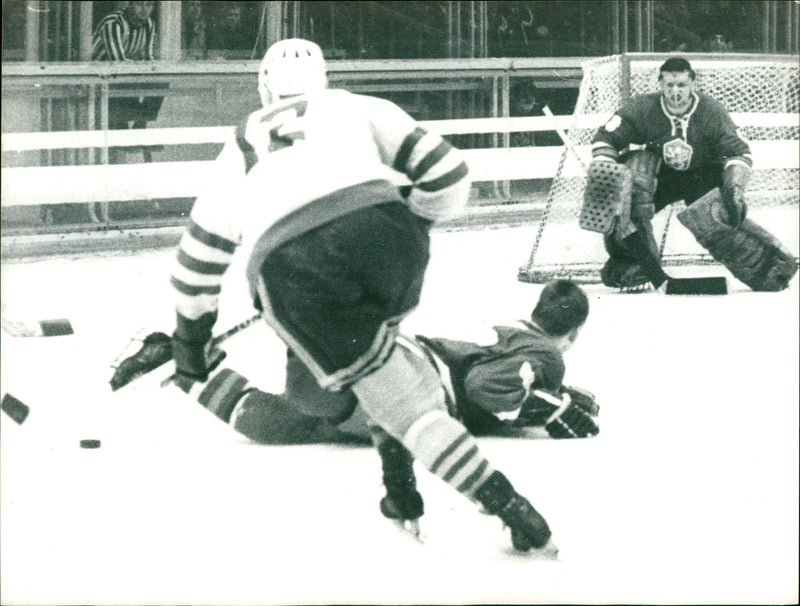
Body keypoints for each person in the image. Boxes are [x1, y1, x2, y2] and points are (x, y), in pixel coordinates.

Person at [167, 38, 554, 552]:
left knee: (396, 399)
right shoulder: (356, 107)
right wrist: (412, 222)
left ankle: (501, 502)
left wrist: (190, 342)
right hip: (384, 232)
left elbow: (197, 261)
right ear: (323, 78)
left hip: (289, 270)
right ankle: (399, 487)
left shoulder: (239, 145)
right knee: (383, 359)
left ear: (263, 88)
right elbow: (450, 174)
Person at [127, 279, 597, 445]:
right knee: (320, 398)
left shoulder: (510, 329)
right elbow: (484, 389)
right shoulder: (546, 354)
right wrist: (551, 407)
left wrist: (550, 400)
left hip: (407, 360)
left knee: (293, 423)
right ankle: (299, 314)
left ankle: (187, 365)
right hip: (416, 384)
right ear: (572, 334)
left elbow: (496, 380)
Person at [587, 56, 796, 292]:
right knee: (632, 191)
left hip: (702, 173)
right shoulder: (643, 107)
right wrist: (604, 170)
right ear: (660, 84)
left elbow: (740, 152)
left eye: (682, 85)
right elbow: (605, 138)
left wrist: (734, 187)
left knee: (713, 219)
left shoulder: (711, 110)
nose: (675, 92)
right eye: (669, 85)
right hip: (662, 175)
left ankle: (765, 266)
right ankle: (635, 262)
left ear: (692, 84)